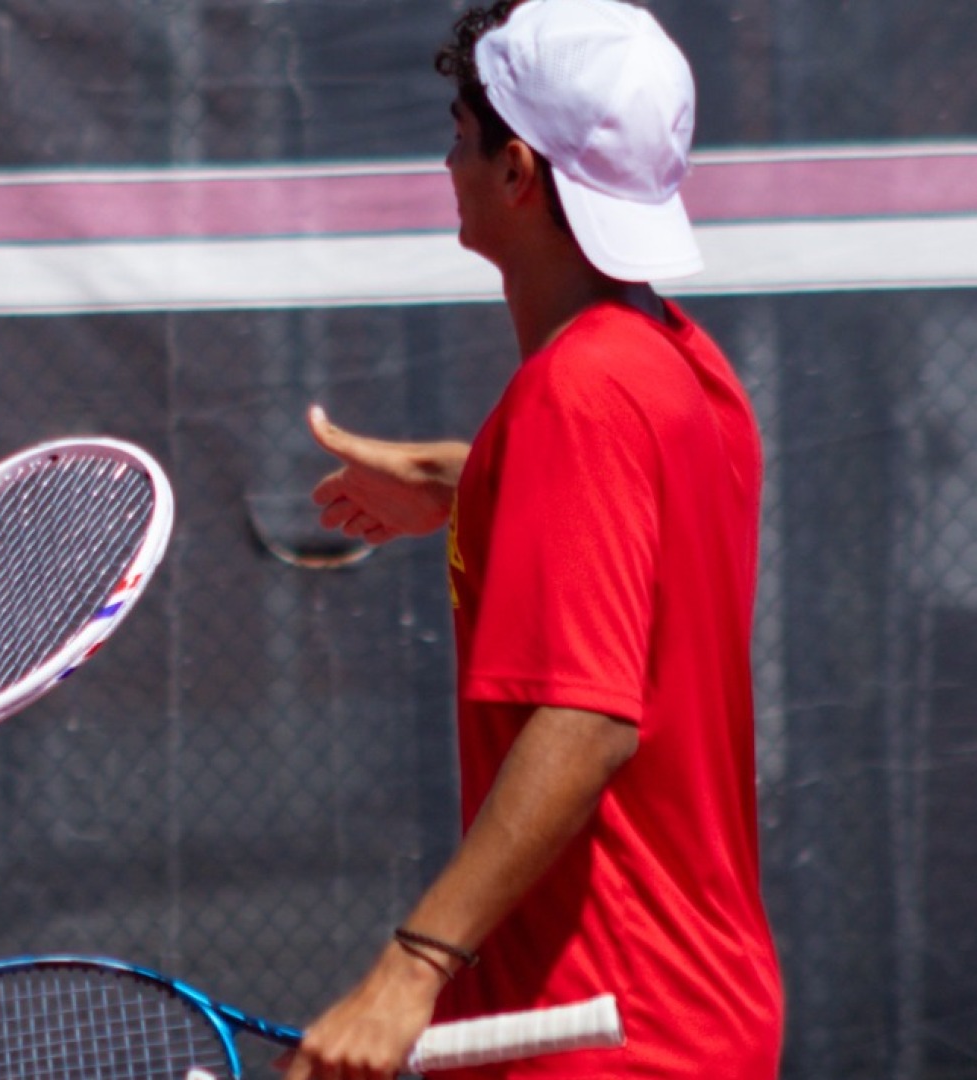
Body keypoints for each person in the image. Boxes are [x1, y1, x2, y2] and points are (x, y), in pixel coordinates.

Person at [283, 2, 783, 1077]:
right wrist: (461, 483)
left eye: (460, 135)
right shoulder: (685, 370)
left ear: (515, 171)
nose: (444, 159)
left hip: (609, 1036)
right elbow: (641, 539)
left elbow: (587, 721)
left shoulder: (579, 393)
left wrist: (406, 969)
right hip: (697, 1012)